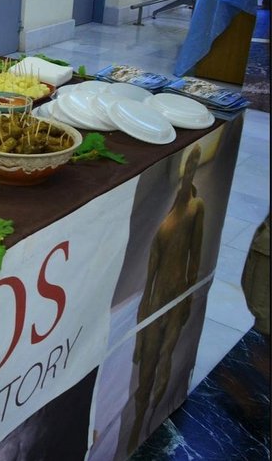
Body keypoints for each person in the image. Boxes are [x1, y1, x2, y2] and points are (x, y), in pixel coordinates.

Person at [128, 143, 205, 452]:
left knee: (165, 360)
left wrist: (187, 296)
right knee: (145, 371)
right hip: (156, 298)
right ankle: (137, 426)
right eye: (188, 163)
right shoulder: (166, 218)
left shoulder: (196, 208)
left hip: (176, 296)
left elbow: (195, 260)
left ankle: (153, 422)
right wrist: (142, 315)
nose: (189, 169)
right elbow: (150, 276)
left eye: (194, 163)